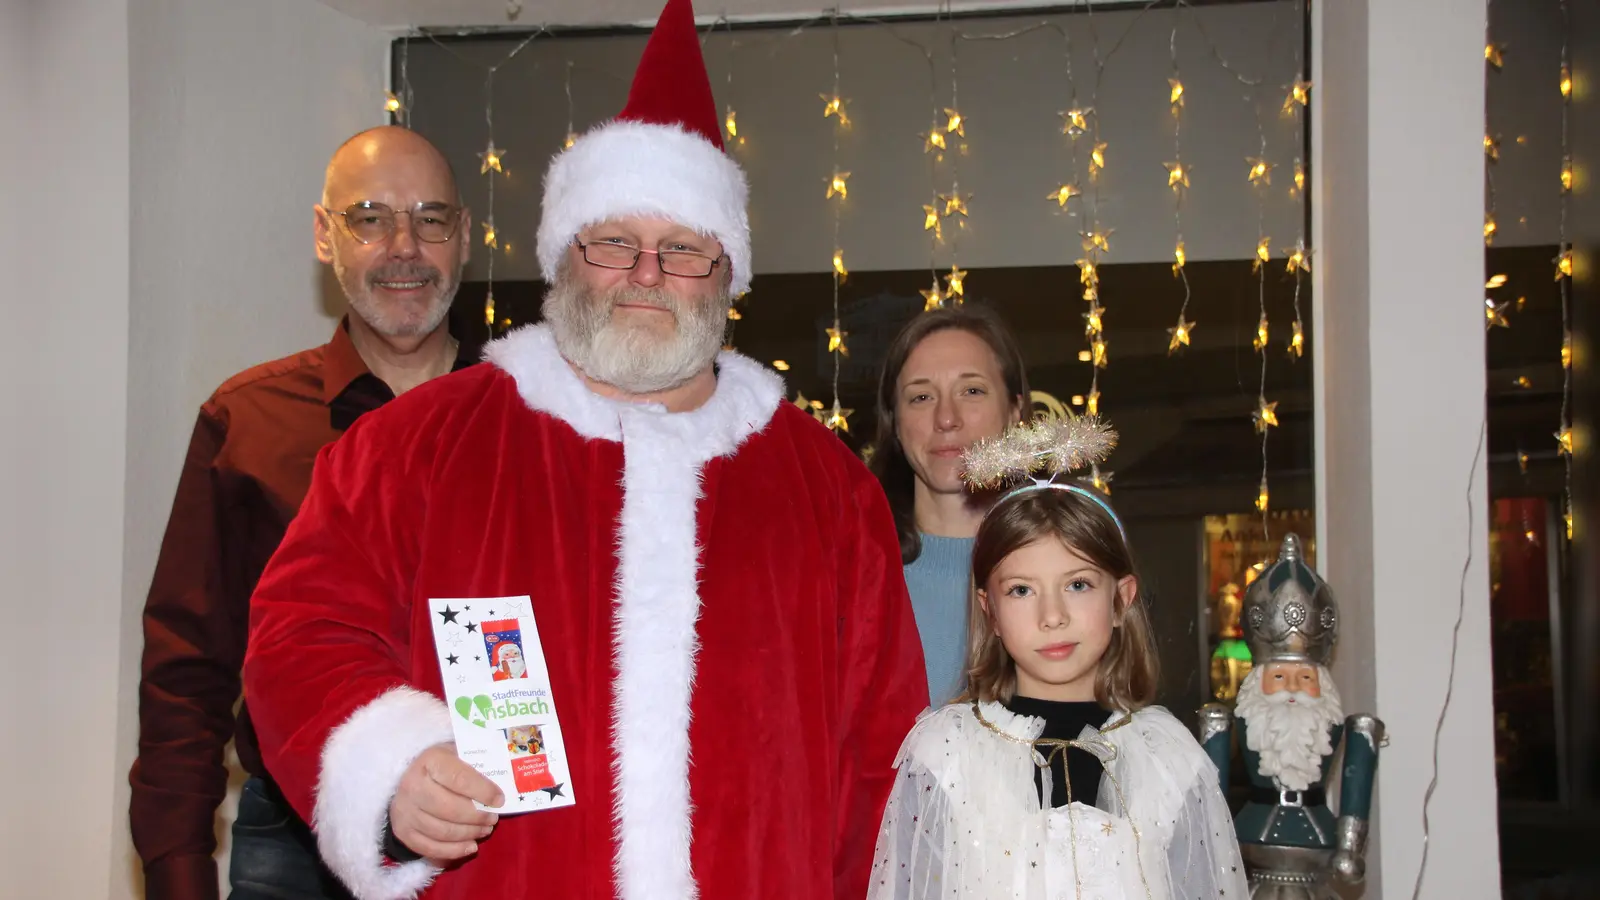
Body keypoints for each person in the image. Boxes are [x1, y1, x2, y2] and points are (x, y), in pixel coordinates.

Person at [241, 2, 929, 899]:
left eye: (683, 248)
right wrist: (393, 768)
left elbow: (881, 758)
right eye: (615, 242)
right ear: (564, 257)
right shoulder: (415, 448)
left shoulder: (827, 486)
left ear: (728, 276)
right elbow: (302, 634)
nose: (648, 273)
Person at [128, 125, 474, 900]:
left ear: (465, 236)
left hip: (491, 839)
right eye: (370, 218)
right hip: (294, 847)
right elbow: (188, 665)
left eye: (430, 218)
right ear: (325, 235)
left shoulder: (534, 420)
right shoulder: (247, 422)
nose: (404, 246)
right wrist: (177, 873)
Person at [868, 417, 1250, 899]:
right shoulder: (947, 753)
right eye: (1022, 589)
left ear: (1121, 599)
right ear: (990, 608)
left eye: (1078, 585)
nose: (1052, 616)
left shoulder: (1167, 759)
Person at [867, 304, 1029, 703]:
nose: (946, 418)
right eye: (921, 397)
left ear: (1014, 411)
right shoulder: (856, 573)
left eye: (971, 391)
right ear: (895, 424)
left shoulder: (1066, 566)